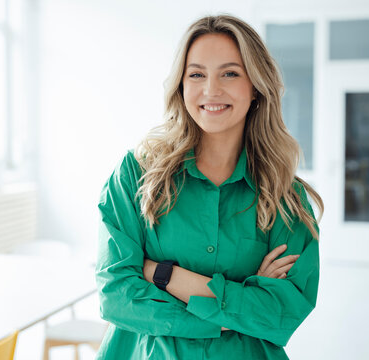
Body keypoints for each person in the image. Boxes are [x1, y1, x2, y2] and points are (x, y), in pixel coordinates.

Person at [95, 14, 324, 360]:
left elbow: (281, 315)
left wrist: (161, 274)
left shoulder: (286, 198)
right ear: (181, 86)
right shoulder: (135, 174)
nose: (211, 90)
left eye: (230, 73)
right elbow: (116, 294)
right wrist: (233, 310)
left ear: (256, 87)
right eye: (197, 74)